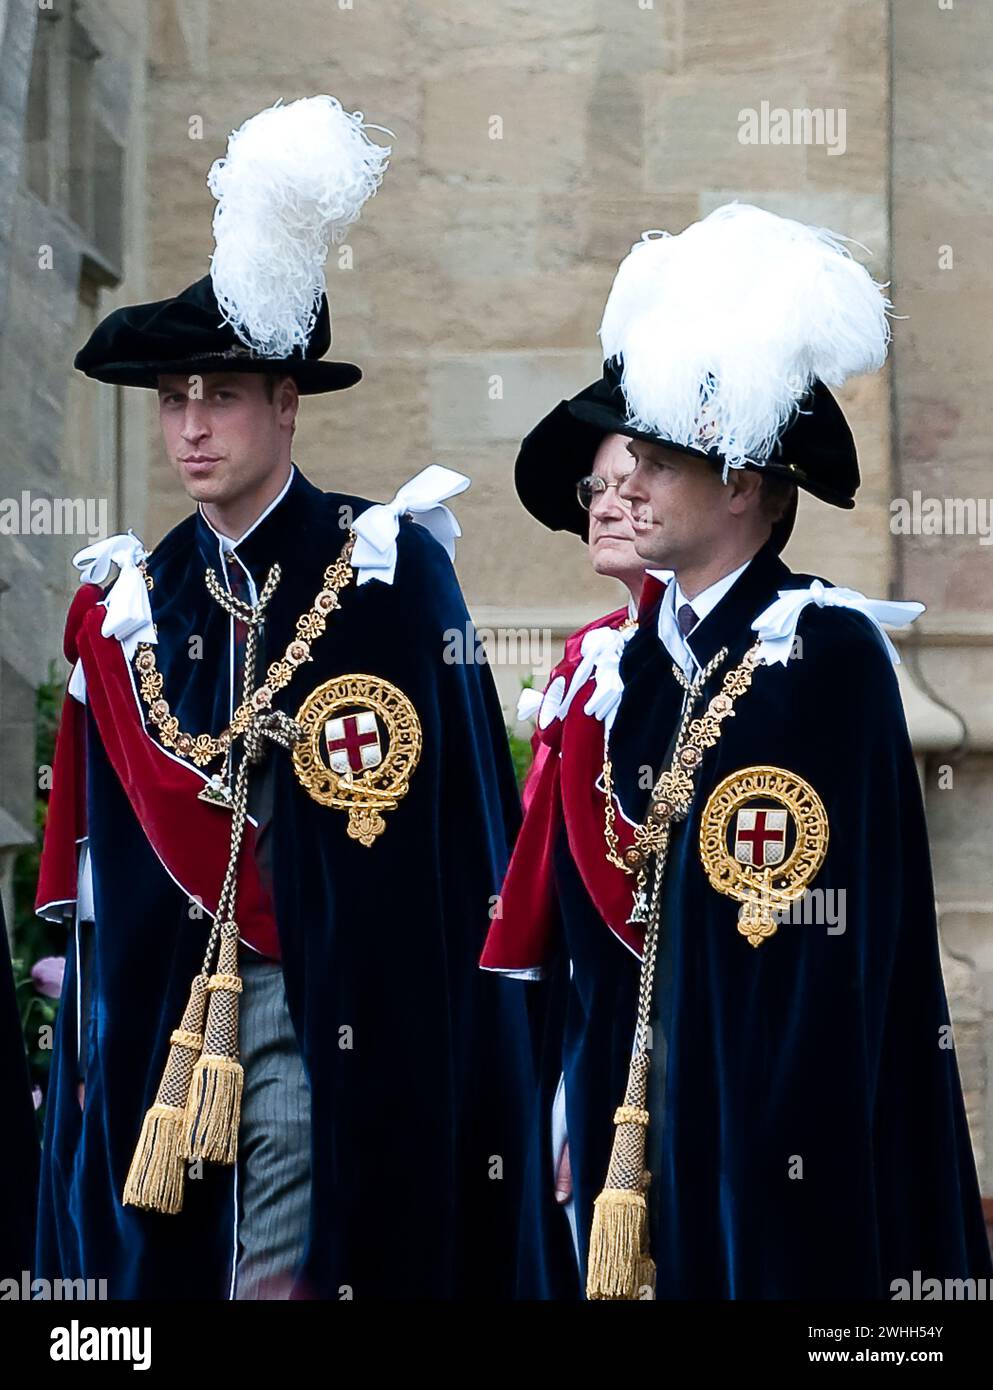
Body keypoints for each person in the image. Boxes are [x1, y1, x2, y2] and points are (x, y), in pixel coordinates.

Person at [33, 95, 531, 1301]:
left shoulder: (385, 566)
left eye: (220, 395)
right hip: (164, 1029)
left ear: (286, 403)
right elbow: (110, 865)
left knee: (289, 1277)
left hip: (329, 1011)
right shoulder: (136, 602)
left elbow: (456, 824)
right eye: (172, 401)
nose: (191, 427)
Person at [490, 202, 993, 1300]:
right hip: (645, 1107)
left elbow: (820, 946)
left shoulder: (821, 646)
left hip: (774, 1135)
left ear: (745, 486)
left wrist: (762, 1144)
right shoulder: (644, 661)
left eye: (660, 461)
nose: (621, 486)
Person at [481, 385, 667, 1296]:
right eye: (596, 489)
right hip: (578, 1006)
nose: (609, 506)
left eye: (636, 483)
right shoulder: (590, 648)